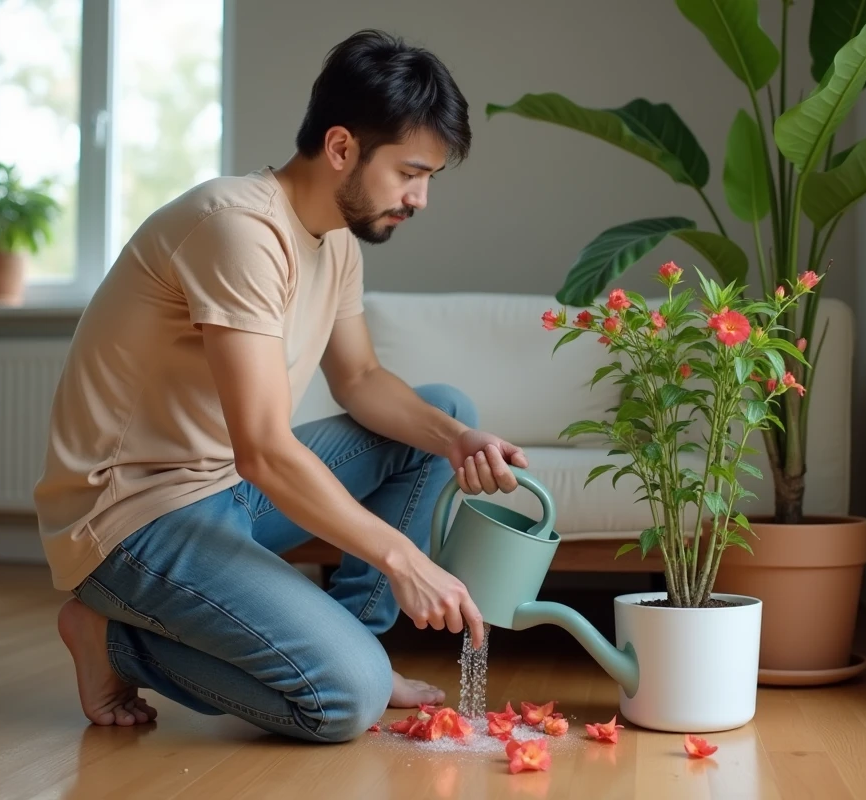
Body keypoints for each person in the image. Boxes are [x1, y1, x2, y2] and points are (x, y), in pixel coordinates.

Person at [33, 28, 530, 743]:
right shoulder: (238, 229)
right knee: (344, 703)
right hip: (132, 518)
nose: (420, 198)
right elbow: (263, 450)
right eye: (409, 173)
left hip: (222, 490)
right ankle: (111, 640)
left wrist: (458, 439)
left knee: (444, 414)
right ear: (341, 148)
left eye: (429, 178)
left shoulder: (338, 240)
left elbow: (360, 378)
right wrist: (405, 560)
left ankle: (354, 641)